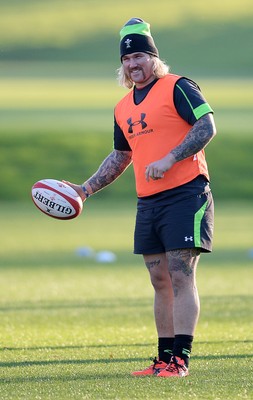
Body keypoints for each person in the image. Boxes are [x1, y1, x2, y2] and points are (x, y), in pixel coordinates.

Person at [64, 17, 216, 378]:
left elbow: (207, 125)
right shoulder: (122, 107)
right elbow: (120, 155)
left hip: (186, 193)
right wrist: (84, 189)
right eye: (127, 60)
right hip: (149, 201)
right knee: (159, 279)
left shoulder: (178, 86)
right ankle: (163, 358)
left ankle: (181, 360)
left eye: (140, 57)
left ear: (154, 58)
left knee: (181, 275)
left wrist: (170, 157)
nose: (134, 65)